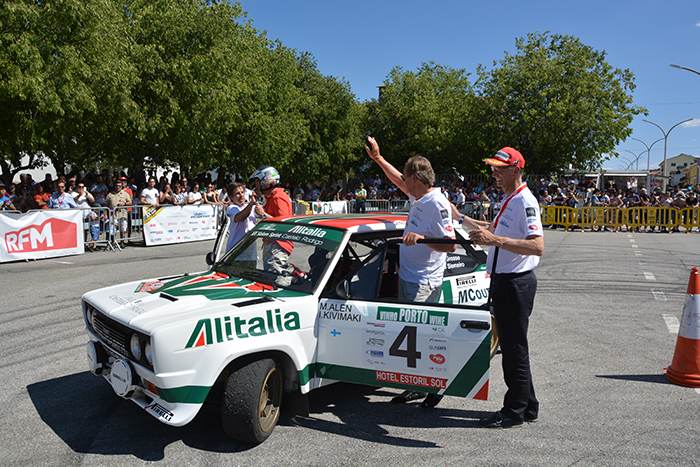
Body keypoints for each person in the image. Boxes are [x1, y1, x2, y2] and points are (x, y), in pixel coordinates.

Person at [365, 136, 456, 408]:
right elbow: (395, 179)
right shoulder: (418, 196)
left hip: (424, 281)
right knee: (411, 337)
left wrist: (421, 238)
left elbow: (450, 245)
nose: (403, 181)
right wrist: (379, 158)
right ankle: (416, 385)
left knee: (423, 337)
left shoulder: (436, 204)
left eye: (406, 177)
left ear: (415, 177)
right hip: (409, 276)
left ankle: (436, 387)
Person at [466, 147, 544, 429]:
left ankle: (513, 411)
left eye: (499, 168)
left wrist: (494, 240)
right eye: (492, 168)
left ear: (516, 170)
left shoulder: (524, 201)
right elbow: (498, 231)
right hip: (507, 282)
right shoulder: (511, 199)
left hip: (515, 283)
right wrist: (463, 221)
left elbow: (537, 246)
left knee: (513, 350)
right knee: (515, 348)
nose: (494, 173)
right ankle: (528, 406)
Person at [249, 166, 293, 285]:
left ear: (267, 181)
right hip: (273, 244)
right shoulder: (272, 197)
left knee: (274, 282)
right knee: (270, 279)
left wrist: (263, 214)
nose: (256, 185)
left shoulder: (278, 197)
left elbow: (284, 223)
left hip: (278, 246)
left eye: (258, 182)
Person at [225, 182, 263, 268]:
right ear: (231, 197)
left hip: (251, 255)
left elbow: (264, 213)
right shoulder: (231, 208)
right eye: (237, 194)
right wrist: (251, 203)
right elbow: (241, 217)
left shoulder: (251, 208)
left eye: (242, 192)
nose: (241, 195)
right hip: (236, 255)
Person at [106, 180, 132, 248]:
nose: (118, 187)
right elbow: (106, 205)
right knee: (113, 229)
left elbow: (130, 202)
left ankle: (122, 242)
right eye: (117, 186)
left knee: (123, 228)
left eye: (119, 186)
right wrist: (106, 214)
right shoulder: (110, 194)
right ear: (114, 186)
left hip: (122, 214)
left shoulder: (125, 194)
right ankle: (112, 242)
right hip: (113, 214)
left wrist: (124, 203)